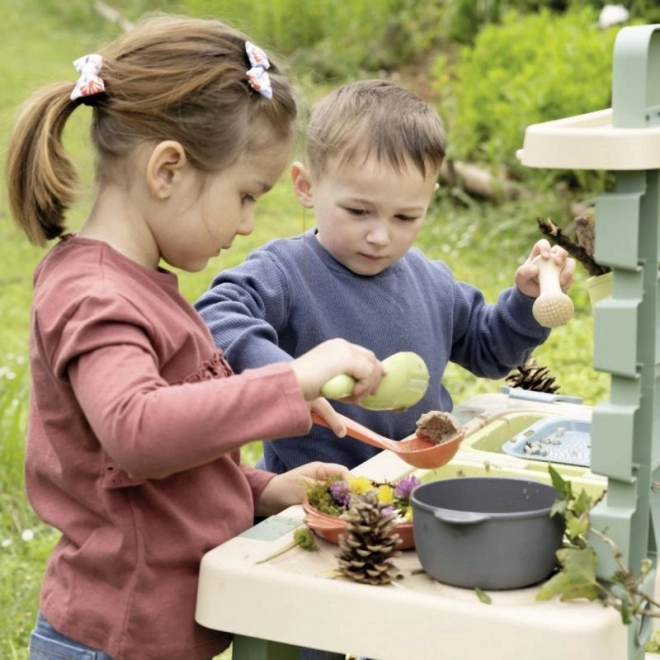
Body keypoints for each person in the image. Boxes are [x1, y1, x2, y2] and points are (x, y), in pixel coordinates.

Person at [6, 15, 387, 660]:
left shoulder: (141, 285)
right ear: (167, 170)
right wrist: (289, 379)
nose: (246, 225)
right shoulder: (97, 296)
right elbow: (139, 432)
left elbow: (154, 478)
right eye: (245, 196)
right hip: (113, 642)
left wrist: (262, 490)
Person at [195, 78, 576, 480]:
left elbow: (490, 349)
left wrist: (527, 303)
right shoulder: (286, 272)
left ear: (430, 197)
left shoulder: (432, 282)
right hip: (316, 496)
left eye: (405, 217)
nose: (380, 236)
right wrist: (292, 378)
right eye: (359, 211)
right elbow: (215, 319)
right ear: (306, 187)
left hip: (412, 483)